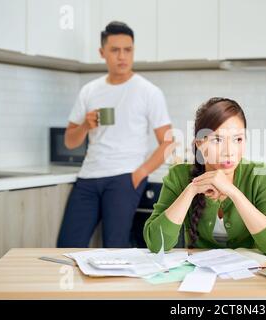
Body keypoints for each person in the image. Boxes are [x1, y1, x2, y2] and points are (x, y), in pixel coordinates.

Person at [57, 21, 173, 248]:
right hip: (88, 178)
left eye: (127, 50)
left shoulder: (148, 92)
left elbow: (168, 143)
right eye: (115, 50)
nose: (122, 56)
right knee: (66, 246)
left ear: (133, 52)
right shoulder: (89, 90)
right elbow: (70, 142)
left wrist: (139, 173)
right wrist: (84, 126)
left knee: (115, 248)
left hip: (124, 178)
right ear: (102, 53)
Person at [144, 97, 266, 257]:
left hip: (251, 276)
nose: (229, 151)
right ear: (199, 144)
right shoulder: (179, 175)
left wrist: (234, 193)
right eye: (217, 140)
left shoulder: (261, 175)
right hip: (198, 274)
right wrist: (191, 189)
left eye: (238, 139)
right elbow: (157, 245)